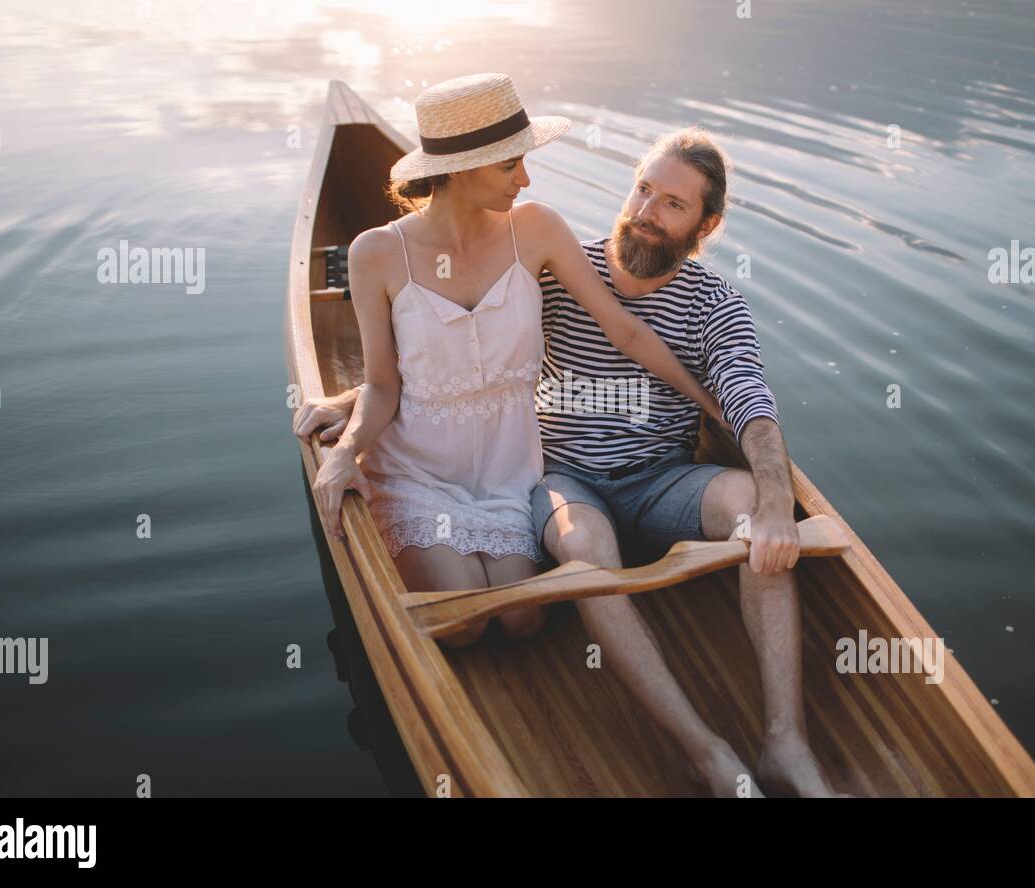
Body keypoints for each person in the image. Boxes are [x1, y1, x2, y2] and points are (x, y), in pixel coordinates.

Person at [301, 125, 844, 798]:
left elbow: (747, 399)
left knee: (755, 503)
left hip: (664, 481)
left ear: (708, 223)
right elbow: (460, 350)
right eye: (643, 189)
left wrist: (768, 497)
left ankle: (785, 743)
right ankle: (706, 753)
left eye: (672, 204)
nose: (645, 212)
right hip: (563, 481)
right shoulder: (555, 266)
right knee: (582, 542)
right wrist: (354, 402)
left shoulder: (715, 303)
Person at [295, 73, 724, 649]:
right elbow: (382, 382)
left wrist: (713, 408)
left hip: (508, 474)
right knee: (465, 624)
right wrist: (345, 449)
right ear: (460, 168)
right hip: (418, 470)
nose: (525, 178)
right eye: (509, 166)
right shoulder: (376, 252)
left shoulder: (536, 229)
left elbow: (625, 331)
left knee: (523, 619)